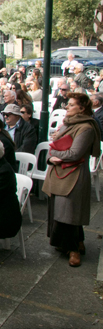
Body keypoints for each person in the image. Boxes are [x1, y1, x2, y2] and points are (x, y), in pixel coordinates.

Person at [43, 92, 101, 267]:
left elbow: (74, 153)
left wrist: (54, 154)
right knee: (62, 211)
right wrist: (53, 154)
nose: (66, 107)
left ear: (82, 109)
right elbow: (54, 145)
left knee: (68, 212)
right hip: (59, 172)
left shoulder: (86, 128)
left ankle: (73, 250)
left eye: (71, 104)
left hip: (73, 174)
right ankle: (76, 243)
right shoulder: (67, 124)